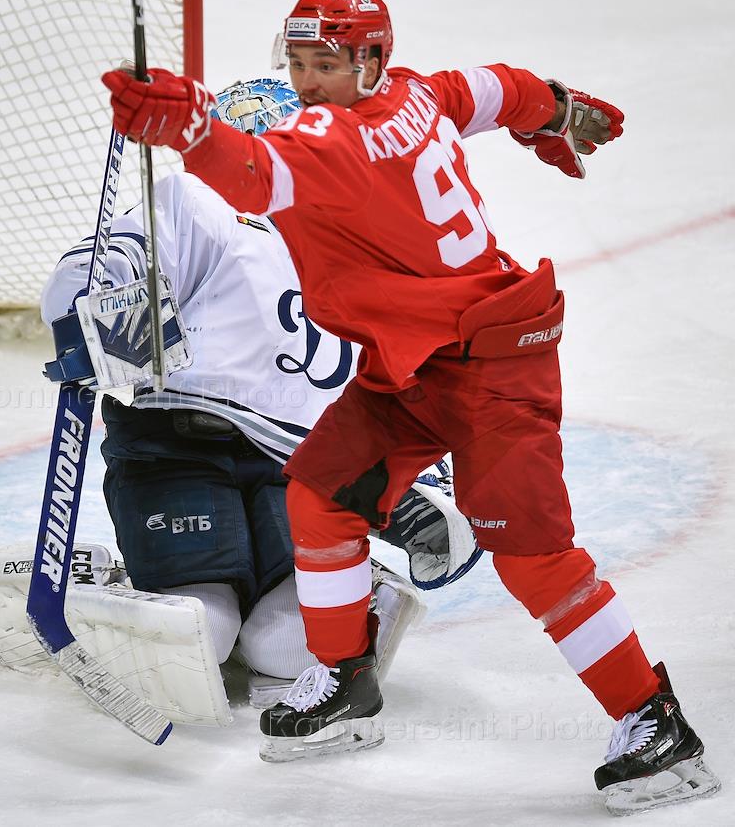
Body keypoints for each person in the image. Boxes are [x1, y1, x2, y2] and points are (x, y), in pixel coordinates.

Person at [101, 0, 719, 814]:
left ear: (369, 61)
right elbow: (497, 88)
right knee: (321, 493)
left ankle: (655, 721)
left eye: (326, 64)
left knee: (536, 561)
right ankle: (345, 682)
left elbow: (252, 176)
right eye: (298, 62)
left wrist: (188, 129)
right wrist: (556, 109)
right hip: (415, 364)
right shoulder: (417, 92)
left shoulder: (335, 142)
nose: (308, 81)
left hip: (494, 369)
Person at [40, 78, 480, 703]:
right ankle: (106, 583)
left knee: (289, 647)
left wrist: (421, 474)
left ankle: (359, 590)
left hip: (297, 465)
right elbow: (112, 258)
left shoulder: (355, 242)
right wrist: (95, 297)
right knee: (200, 631)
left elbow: (392, 375)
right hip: (177, 448)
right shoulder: (199, 202)